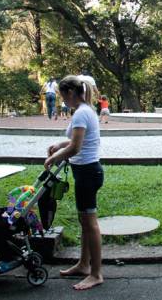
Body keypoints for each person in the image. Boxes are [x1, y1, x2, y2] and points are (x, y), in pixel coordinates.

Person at [44, 75, 103, 290]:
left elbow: (76, 147)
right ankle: (84, 264)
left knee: (90, 223)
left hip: (88, 172)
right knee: (85, 221)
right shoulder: (86, 110)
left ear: (70, 93)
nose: (62, 100)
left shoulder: (81, 113)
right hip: (86, 172)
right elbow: (77, 141)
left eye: (62, 96)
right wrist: (60, 145)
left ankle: (96, 273)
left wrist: (54, 158)